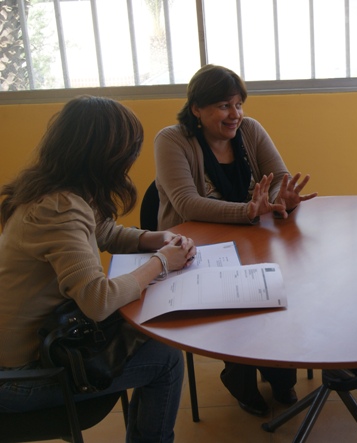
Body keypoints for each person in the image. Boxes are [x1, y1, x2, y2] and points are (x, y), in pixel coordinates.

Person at [0, 96, 197, 442]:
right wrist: (163, 262)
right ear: (107, 155)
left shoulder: (51, 190)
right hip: (20, 379)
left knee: (149, 337)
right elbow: (98, 300)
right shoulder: (59, 209)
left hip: (36, 346)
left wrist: (157, 238)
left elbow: (102, 231)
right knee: (166, 358)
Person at [154, 64, 316, 416]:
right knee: (233, 299)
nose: (236, 114)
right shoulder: (172, 139)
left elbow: (279, 177)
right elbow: (186, 203)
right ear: (197, 108)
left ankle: (279, 372)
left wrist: (281, 197)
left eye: (239, 104)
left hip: (252, 238)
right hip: (195, 249)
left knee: (280, 284)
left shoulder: (251, 129)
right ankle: (240, 379)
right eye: (224, 106)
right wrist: (247, 211)